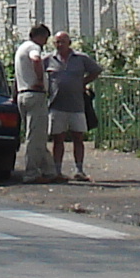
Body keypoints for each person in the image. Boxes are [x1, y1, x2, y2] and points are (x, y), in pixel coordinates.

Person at [44, 30, 100, 183]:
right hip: (56, 104)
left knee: (78, 137)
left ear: (69, 43)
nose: (60, 45)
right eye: (57, 42)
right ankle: (57, 170)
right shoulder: (49, 59)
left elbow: (96, 70)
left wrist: (83, 82)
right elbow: (38, 73)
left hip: (77, 105)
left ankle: (79, 170)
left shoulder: (80, 59)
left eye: (63, 41)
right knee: (58, 139)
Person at [12, 22, 51, 179]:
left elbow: (17, 76)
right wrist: (40, 80)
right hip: (34, 94)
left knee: (39, 135)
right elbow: (36, 60)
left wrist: (14, 95)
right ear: (39, 36)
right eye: (45, 38)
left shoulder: (20, 48)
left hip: (23, 94)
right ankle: (31, 172)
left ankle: (50, 171)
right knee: (35, 137)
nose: (46, 42)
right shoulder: (33, 48)